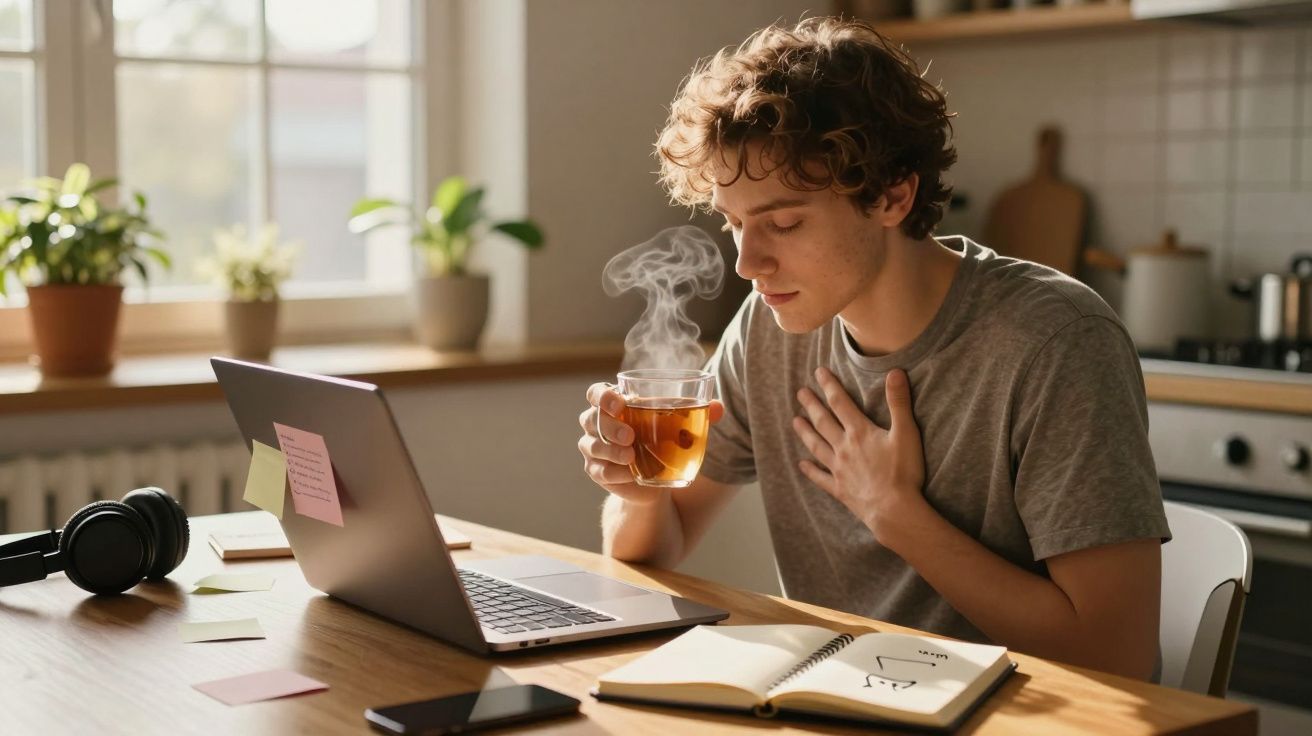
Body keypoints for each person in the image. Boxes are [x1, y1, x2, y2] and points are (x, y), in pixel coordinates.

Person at [576, 17, 1170, 681]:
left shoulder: (1054, 341)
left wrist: (898, 516)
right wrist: (639, 492)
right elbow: (654, 553)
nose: (746, 262)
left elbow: (1116, 656)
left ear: (893, 194)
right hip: (836, 701)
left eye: (783, 222)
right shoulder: (767, 329)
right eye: (734, 222)